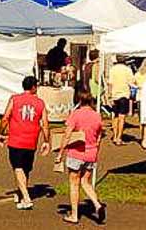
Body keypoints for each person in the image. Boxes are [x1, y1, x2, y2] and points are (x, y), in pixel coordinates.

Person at [0, 75, 50, 210]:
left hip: (16, 140)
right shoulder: (40, 103)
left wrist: (2, 132)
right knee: (25, 168)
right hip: (31, 141)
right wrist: (46, 140)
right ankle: (21, 192)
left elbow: (5, 118)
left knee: (18, 167)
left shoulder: (15, 99)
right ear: (33, 87)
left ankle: (26, 197)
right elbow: (45, 123)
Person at [58, 90, 106, 224]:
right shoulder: (97, 116)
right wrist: (96, 151)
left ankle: (74, 215)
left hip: (76, 152)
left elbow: (67, 134)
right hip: (91, 153)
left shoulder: (75, 115)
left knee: (74, 183)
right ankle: (97, 204)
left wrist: (60, 152)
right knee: (85, 182)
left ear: (78, 100)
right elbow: (99, 136)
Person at [106, 57, 135, 145]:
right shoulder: (127, 70)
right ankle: (119, 137)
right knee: (122, 117)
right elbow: (132, 82)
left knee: (115, 116)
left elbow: (110, 83)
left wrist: (109, 95)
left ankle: (115, 136)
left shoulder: (112, 69)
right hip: (124, 94)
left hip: (115, 94)